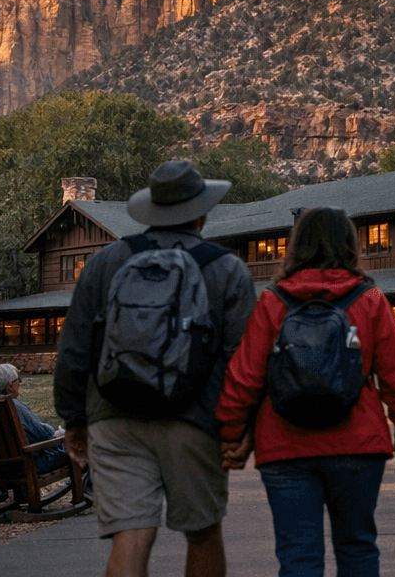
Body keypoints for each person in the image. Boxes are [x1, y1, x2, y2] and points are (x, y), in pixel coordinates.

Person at [54, 160, 254, 577]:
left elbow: (74, 348)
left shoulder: (106, 262)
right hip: (194, 421)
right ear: (201, 214)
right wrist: (240, 427)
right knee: (202, 532)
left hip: (114, 416)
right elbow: (244, 360)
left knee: (130, 534)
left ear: (153, 210)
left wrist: (75, 419)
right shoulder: (226, 268)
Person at [217, 206, 395, 577]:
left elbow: (244, 376)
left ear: (296, 246)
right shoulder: (369, 299)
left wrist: (231, 435)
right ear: (350, 245)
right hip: (358, 442)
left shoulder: (273, 301)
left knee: (298, 557)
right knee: (357, 548)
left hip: (284, 445)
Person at [0, 363, 67, 472]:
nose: (19, 383)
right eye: (18, 380)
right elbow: (45, 434)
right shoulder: (13, 406)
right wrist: (58, 433)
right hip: (25, 466)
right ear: (9, 387)